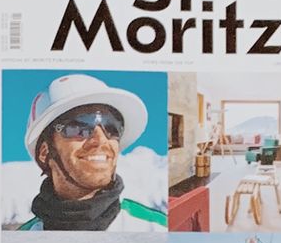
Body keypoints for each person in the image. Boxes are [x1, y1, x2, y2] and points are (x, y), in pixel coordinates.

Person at [12, 74, 166, 232]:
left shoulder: (158, 228)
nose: (101, 140)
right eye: (78, 128)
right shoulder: (22, 239)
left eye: (112, 128)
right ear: (45, 152)